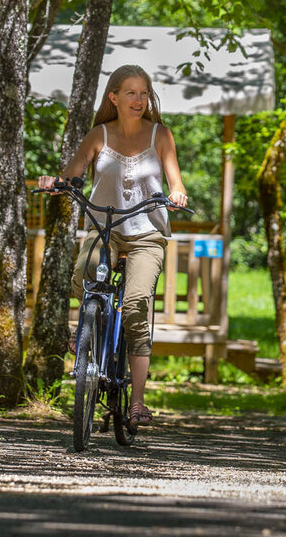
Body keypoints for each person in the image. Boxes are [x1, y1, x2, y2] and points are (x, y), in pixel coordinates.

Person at [37, 64, 188, 427]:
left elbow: (176, 182)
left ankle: (136, 402)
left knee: (136, 307)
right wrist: (55, 182)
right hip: (105, 228)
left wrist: (178, 194)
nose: (139, 100)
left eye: (144, 93)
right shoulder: (98, 135)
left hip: (147, 233)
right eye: (131, 93)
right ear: (114, 98)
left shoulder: (161, 135)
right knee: (83, 275)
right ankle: (88, 332)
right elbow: (73, 174)